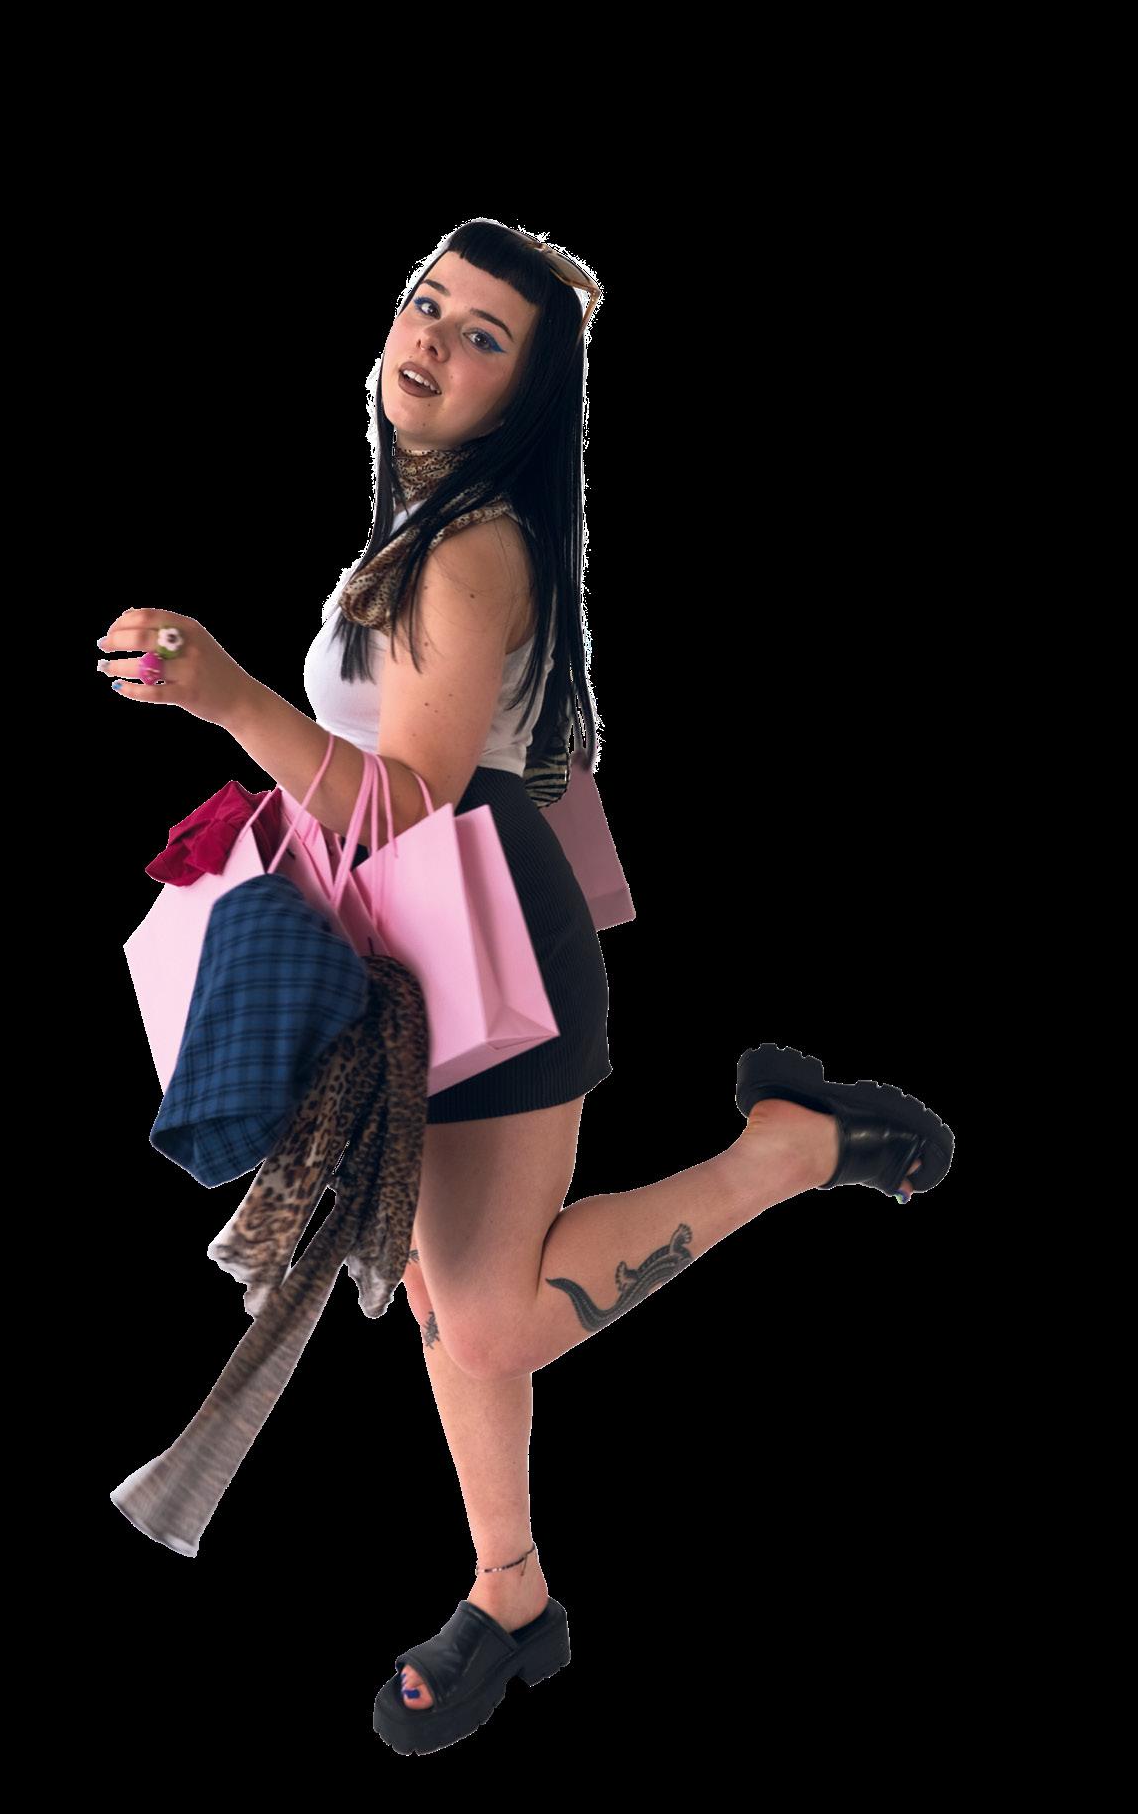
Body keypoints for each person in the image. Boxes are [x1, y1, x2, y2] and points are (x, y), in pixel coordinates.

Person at [97, 221, 941, 1751]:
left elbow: (413, 800)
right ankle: (511, 1591)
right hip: (410, 936)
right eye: (427, 303)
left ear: (529, 395)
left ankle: (792, 1145)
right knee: (439, 1286)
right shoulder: (422, 519)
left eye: (482, 334)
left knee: (488, 1321)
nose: (430, 338)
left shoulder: (471, 545)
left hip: (483, 941)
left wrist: (230, 700)